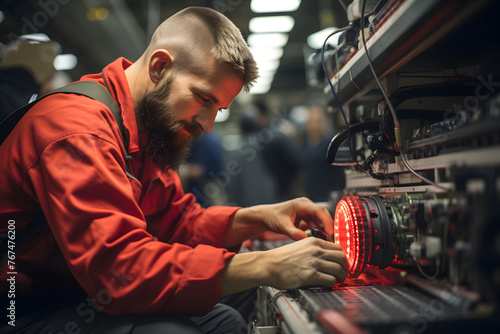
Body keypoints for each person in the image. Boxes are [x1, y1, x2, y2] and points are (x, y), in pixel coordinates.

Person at [0, 7, 348, 334]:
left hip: (73, 290)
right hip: (20, 307)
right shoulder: (77, 131)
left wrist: (259, 218)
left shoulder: (146, 130)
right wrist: (264, 265)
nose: (208, 124)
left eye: (219, 109)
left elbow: (180, 224)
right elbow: (119, 271)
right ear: (159, 67)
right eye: (204, 98)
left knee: (248, 294)